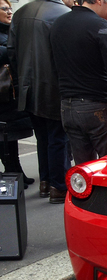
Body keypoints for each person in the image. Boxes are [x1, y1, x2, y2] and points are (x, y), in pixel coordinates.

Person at [50, 0, 107, 166]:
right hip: (96, 106)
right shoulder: (101, 26)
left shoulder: (58, 24)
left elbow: (53, 66)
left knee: (84, 169)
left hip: (68, 106)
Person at [8, 0, 73, 203]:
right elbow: (67, 56)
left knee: (43, 138)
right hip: (53, 86)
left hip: (28, 87)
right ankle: (57, 186)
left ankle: (46, 182)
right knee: (58, 138)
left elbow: (12, 53)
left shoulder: (21, 13)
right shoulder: (63, 13)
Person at [0, 0, 34, 187]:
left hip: (10, 93)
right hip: (2, 94)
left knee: (10, 136)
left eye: (10, 8)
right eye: (4, 9)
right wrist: (12, 49)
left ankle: (16, 172)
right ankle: (12, 174)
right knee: (4, 137)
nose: (9, 12)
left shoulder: (9, 32)